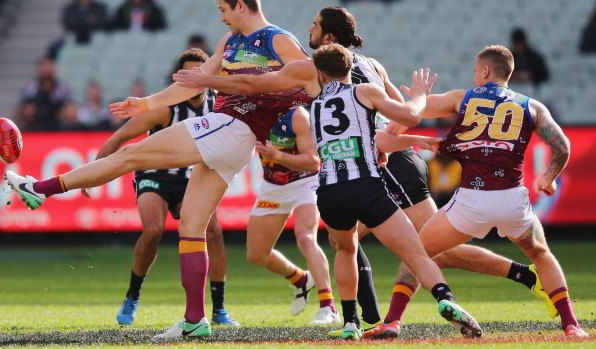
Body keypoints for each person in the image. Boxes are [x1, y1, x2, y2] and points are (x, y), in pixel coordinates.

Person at [174, 6, 556, 339]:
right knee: (358, 243)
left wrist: (396, 143)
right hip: (378, 157)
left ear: (329, 37)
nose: (307, 30)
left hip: (377, 163)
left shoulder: (318, 73)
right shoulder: (372, 65)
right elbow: (398, 108)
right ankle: (371, 319)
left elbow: (386, 120)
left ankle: (520, 277)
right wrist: (408, 139)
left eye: (313, 25)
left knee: (422, 247)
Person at [6, 0, 314, 339]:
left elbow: (309, 78)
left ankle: (40, 189)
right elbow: (194, 84)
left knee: (132, 155)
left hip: (231, 126)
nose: (222, 17)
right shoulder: (229, 43)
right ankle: (195, 321)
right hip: (235, 141)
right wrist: (146, 103)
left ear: (241, 5)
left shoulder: (278, 39)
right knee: (191, 226)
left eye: (223, 10)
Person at [388, 44, 589, 339]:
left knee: (417, 254)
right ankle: (572, 324)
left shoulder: (462, 98)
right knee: (541, 253)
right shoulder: (532, 106)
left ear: (484, 70)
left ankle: (392, 322)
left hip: (472, 199)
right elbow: (562, 146)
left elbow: (412, 113)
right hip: (513, 199)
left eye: (475, 71)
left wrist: (416, 97)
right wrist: (548, 178)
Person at [310, 43, 482, 340]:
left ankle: (350, 322)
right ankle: (445, 299)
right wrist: (419, 96)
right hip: (365, 187)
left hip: (329, 192)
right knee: (416, 253)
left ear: (320, 74)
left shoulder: (314, 106)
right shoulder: (364, 92)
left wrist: (409, 141)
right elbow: (409, 115)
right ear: (350, 69)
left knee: (346, 248)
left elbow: (364, 140)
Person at [78, 49, 238, 327]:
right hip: (155, 175)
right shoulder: (166, 108)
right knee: (153, 230)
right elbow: (121, 137)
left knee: (213, 231)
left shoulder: (220, 105)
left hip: (192, 177)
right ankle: (133, 295)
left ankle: (220, 307)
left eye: (199, 75)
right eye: (187, 77)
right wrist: (92, 174)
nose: (194, 81)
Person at [246, 106, 339, 325]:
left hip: (306, 181)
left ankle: (329, 308)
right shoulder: (248, 111)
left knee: (306, 238)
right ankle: (301, 279)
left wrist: (276, 154)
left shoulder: (296, 115)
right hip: (273, 186)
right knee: (256, 255)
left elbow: (313, 161)